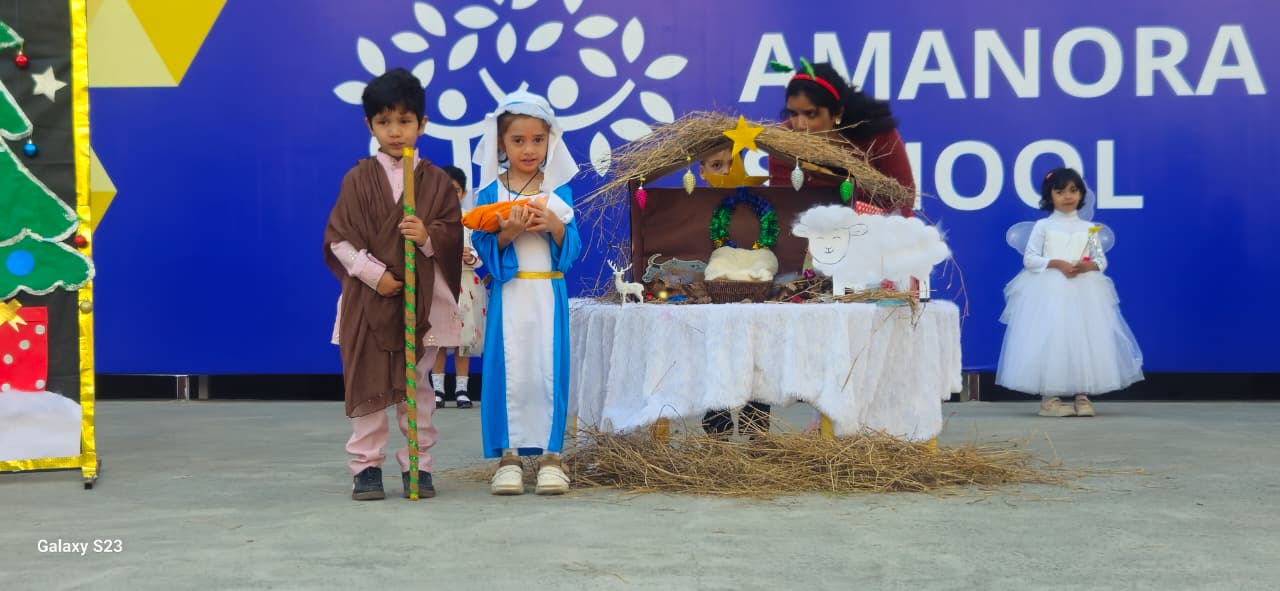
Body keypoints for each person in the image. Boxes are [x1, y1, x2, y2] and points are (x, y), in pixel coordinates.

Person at [323, 67, 462, 500]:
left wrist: (426, 237)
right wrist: (376, 276)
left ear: (423, 123)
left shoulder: (436, 182)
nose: (395, 131)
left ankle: (418, 465)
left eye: (405, 120)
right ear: (370, 125)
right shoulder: (357, 179)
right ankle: (366, 466)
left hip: (421, 306)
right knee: (367, 380)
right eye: (384, 122)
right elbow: (339, 241)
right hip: (368, 301)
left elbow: (451, 235)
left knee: (416, 386)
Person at [469, 91, 582, 495]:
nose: (529, 149)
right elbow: (483, 248)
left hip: (548, 292)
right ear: (501, 143)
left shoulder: (558, 191)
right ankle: (509, 458)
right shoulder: (490, 193)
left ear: (550, 140)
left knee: (547, 372)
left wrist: (554, 226)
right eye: (518, 140)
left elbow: (572, 247)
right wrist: (508, 233)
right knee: (509, 373)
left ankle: (552, 457)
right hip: (510, 294)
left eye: (538, 139)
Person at [996, 168, 1144, 417]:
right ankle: (1050, 399)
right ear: (1050, 196)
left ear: (1081, 194)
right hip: (1050, 291)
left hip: (1085, 290)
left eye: (1073, 190)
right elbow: (1030, 259)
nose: (1068, 196)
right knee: (1053, 339)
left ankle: (1082, 395)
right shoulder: (1043, 226)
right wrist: (1056, 263)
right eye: (1060, 191)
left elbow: (1101, 260)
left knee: (1086, 338)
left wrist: (1089, 266)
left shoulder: (1090, 228)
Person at [767, 61, 915, 216]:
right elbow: (786, 210)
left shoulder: (876, 133)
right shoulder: (782, 144)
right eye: (793, 114)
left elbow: (904, 200)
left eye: (811, 114)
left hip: (879, 226)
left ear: (837, 113)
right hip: (809, 227)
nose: (800, 125)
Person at [430, 165, 487, 409]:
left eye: (454, 190)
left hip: (466, 285)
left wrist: (470, 256)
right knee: (439, 340)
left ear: (462, 193)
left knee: (464, 341)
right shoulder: (431, 222)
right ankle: (438, 390)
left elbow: (482, 255)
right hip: (440, 286)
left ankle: (462, 390)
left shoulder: (471, 221)